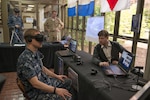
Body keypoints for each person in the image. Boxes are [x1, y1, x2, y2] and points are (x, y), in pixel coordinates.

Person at [17, 28, 72, 100]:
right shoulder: (25, 59)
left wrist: (56, 76)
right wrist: (56, 90)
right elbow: (35, 84)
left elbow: (42, 68)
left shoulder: (35, 53)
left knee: (68, 81)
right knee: (65, 97)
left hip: (45, 82)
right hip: (36, 92)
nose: (41, 41)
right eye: (38, 38)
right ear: (30, 40)